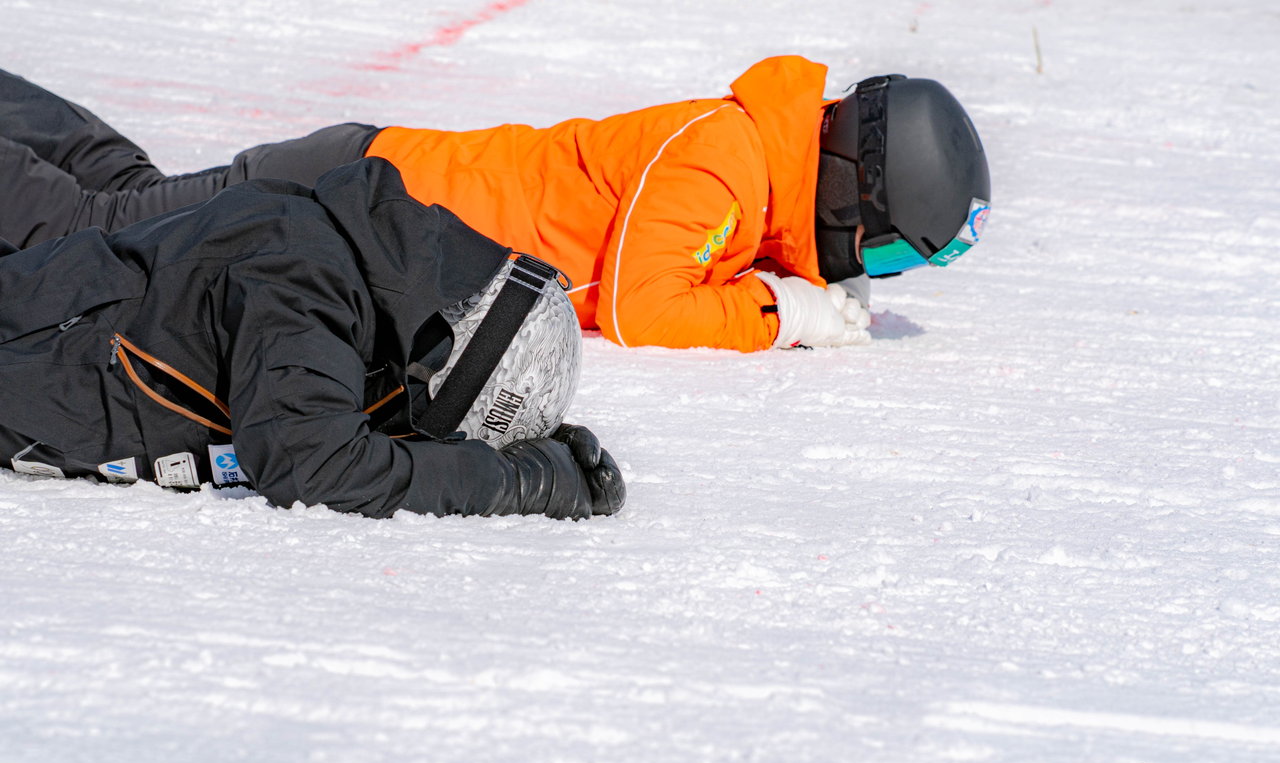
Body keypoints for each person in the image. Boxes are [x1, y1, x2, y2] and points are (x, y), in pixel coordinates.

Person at [0, 56, 991, 353]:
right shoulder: (723, 161)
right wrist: (784, 316)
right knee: (94, 232)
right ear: (847, 192)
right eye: (888, 254)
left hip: (363, 197)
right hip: (355, 194)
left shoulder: (751, 175)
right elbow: (643, 306)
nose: (869, 275)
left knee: (117, 199)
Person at [0, 157, 626, 520]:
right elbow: (315, 468)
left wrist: (517, 447)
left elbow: (336, 405)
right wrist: (522, 484)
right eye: (451, 421)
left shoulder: (371, 280)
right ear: (450, 359)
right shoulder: (301, 278)